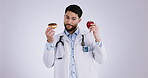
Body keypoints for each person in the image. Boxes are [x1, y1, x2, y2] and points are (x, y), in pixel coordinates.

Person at [43, 4, 107, 78]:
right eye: (67, 17)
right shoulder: (56, 38)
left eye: (73, 19)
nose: (69, 22)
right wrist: (49, 42)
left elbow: (101, 60)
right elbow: (48, 64)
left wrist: (97, 38)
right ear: (64, 17)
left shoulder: (89, 36)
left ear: (79, 20)